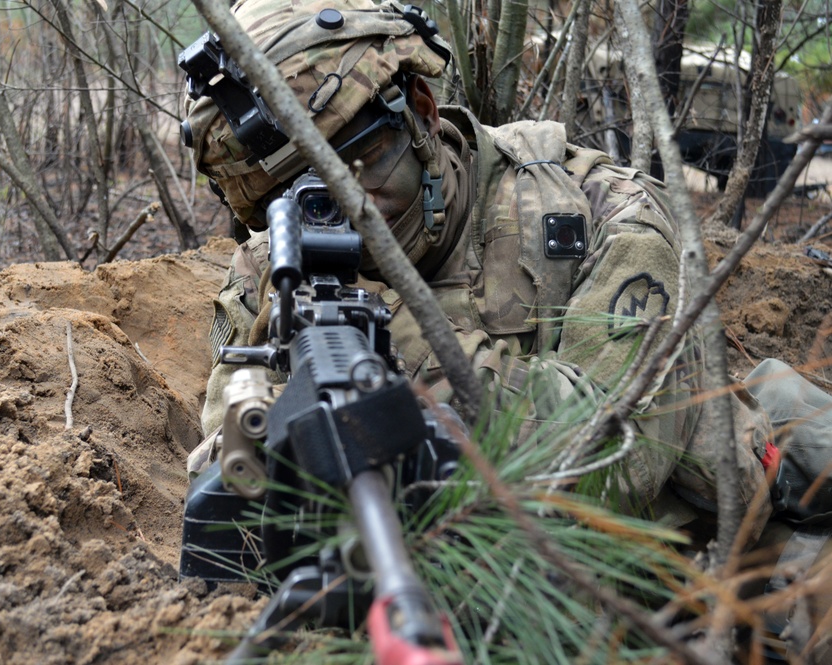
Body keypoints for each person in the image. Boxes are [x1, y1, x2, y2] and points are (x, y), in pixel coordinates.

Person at [180, 0, 832, 658]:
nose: (345, 206)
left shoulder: (602, 212)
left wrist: (400, 335)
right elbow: (229, 484)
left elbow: (614, 462)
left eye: (362, 158)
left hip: (687, 559)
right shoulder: (278, 274)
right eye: (297, 194)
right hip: (459, 591)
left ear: (423, 112)